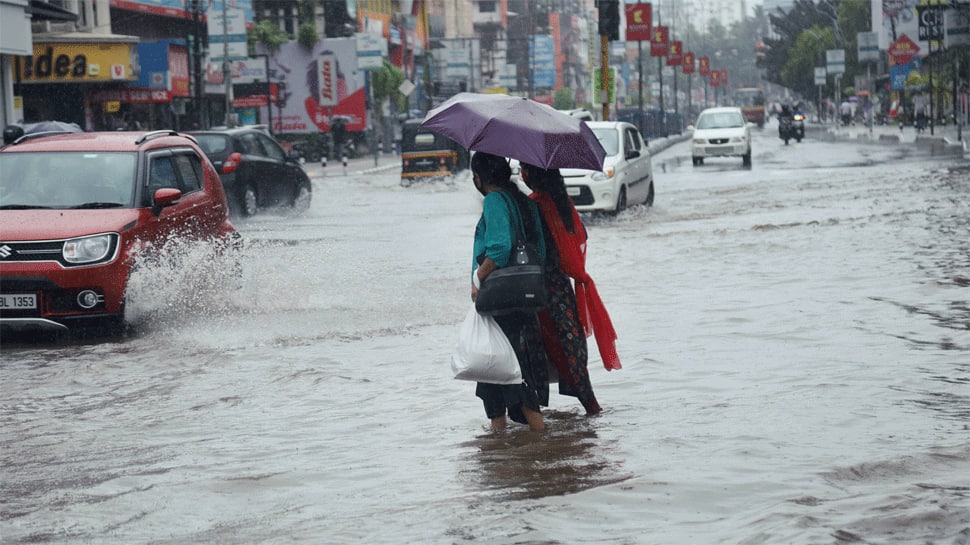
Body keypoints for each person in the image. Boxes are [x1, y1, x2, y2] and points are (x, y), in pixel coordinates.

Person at [519, 163, 622, 416]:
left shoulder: (534, 206)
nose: (522, 173)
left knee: (538, 353)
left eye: (524, 168)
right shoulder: (563, 203)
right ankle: (592, 408)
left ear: (531, 174)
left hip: (539, 292)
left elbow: (530, 247)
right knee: (571, 350)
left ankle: (533, 419)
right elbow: (580, 237)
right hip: (563, 289)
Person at [469, 152, 548, 431]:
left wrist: (478, 279)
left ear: (479, 178)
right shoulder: (524, 202)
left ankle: (507, 446)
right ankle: (518, 449)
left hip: (500, 301)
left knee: (500, 374)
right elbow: (542, 251)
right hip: (527, 298)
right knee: (515, 371)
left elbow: (499, 250)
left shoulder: (493, 202)